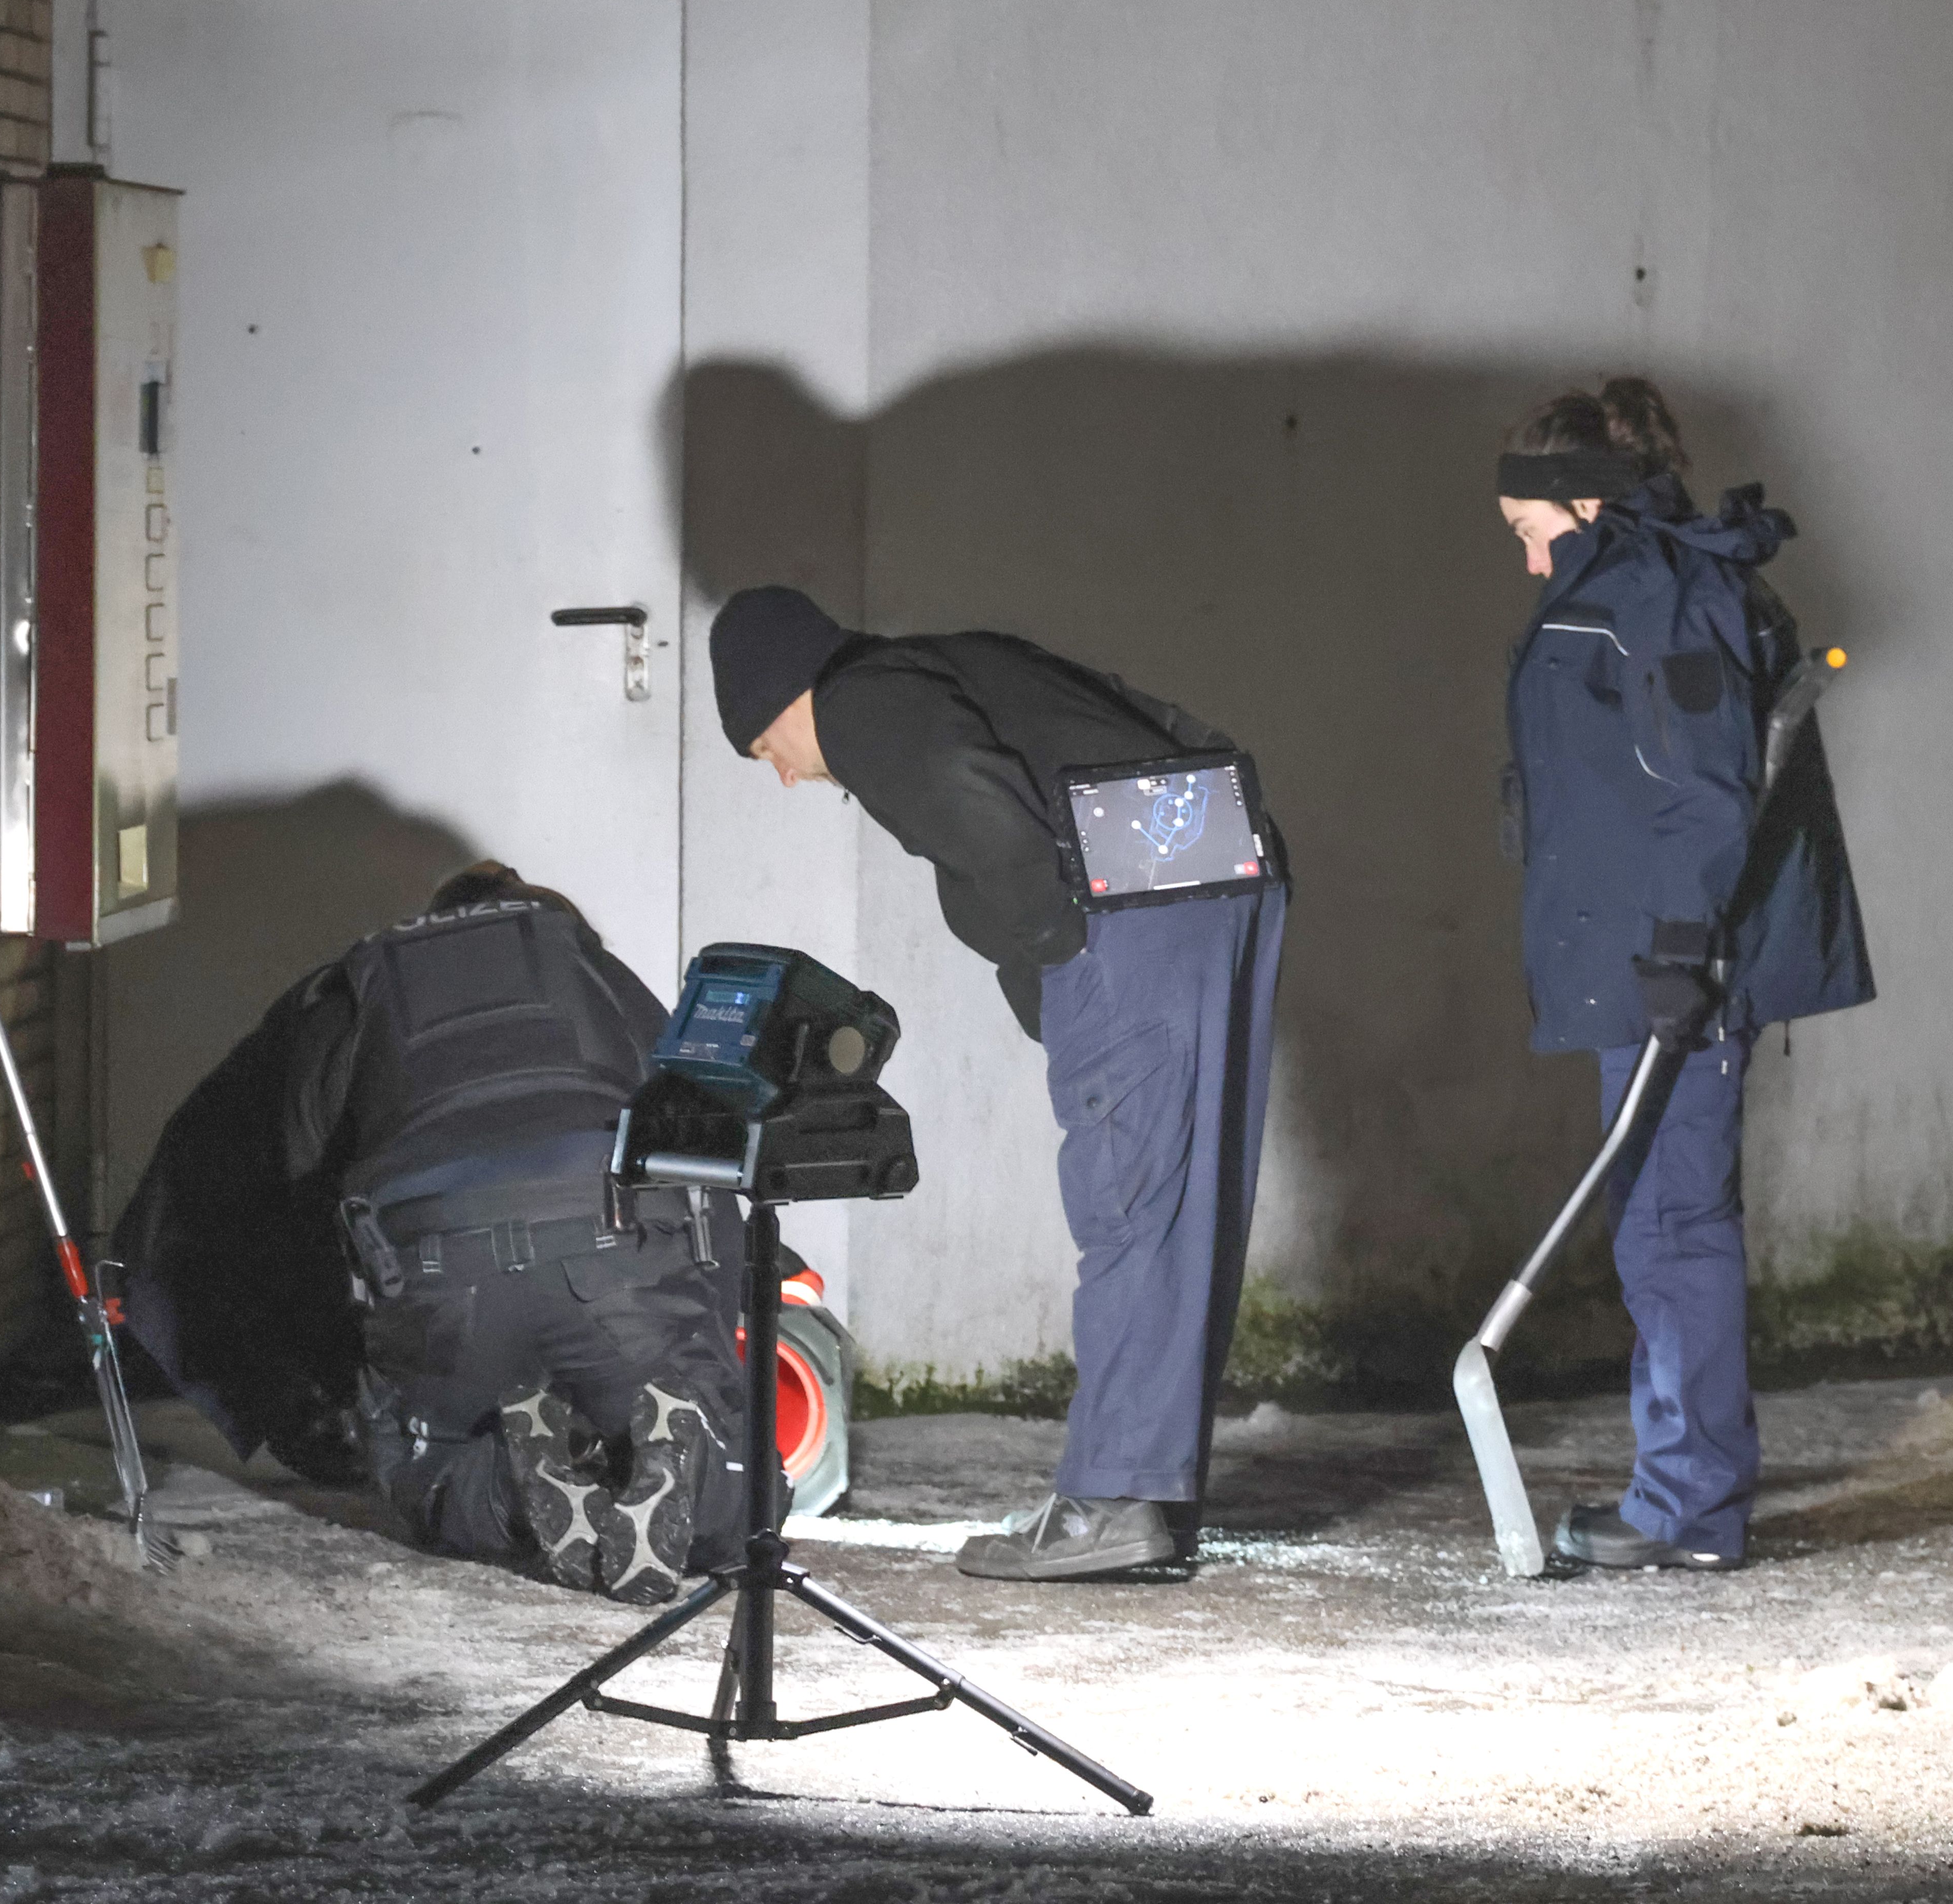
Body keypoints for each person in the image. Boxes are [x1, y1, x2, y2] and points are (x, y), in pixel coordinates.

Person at [708, 588, 1286, 1581]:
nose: (786, 775)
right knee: (1185, 1201)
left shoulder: (860, 700)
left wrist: (1060, 948)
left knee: (1129, 1197)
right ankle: (1148, 1492)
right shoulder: (951, 658)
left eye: (764, 746)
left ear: (783, 692)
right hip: (1212, 857)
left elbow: (973, 801)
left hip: (1129, 905)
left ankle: (1112, 1495)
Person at [110, 862, 749, 1605]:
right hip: (612, 1256)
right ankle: (678, 1470)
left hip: (438, 1273)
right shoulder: (594, 972)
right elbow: (704, 1161)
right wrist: (710, 1352)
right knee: (737, 1492)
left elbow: (272, 1204)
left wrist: (322, 1398)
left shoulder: (351, 988)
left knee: (431, 1483)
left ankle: (511, 1484)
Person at [1494, 377, 1873, 1572]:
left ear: (1584, 501)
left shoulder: (1658, 595)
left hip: (1676, 966)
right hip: (1647, 957)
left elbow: (1702, 788)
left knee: (1671, 1223)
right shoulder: (1631, 587)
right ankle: (1683, 1487)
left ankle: (1687, 1505)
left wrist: (1674, 951)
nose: (1522, 560)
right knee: (1660, 1218)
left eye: (1525, 533)